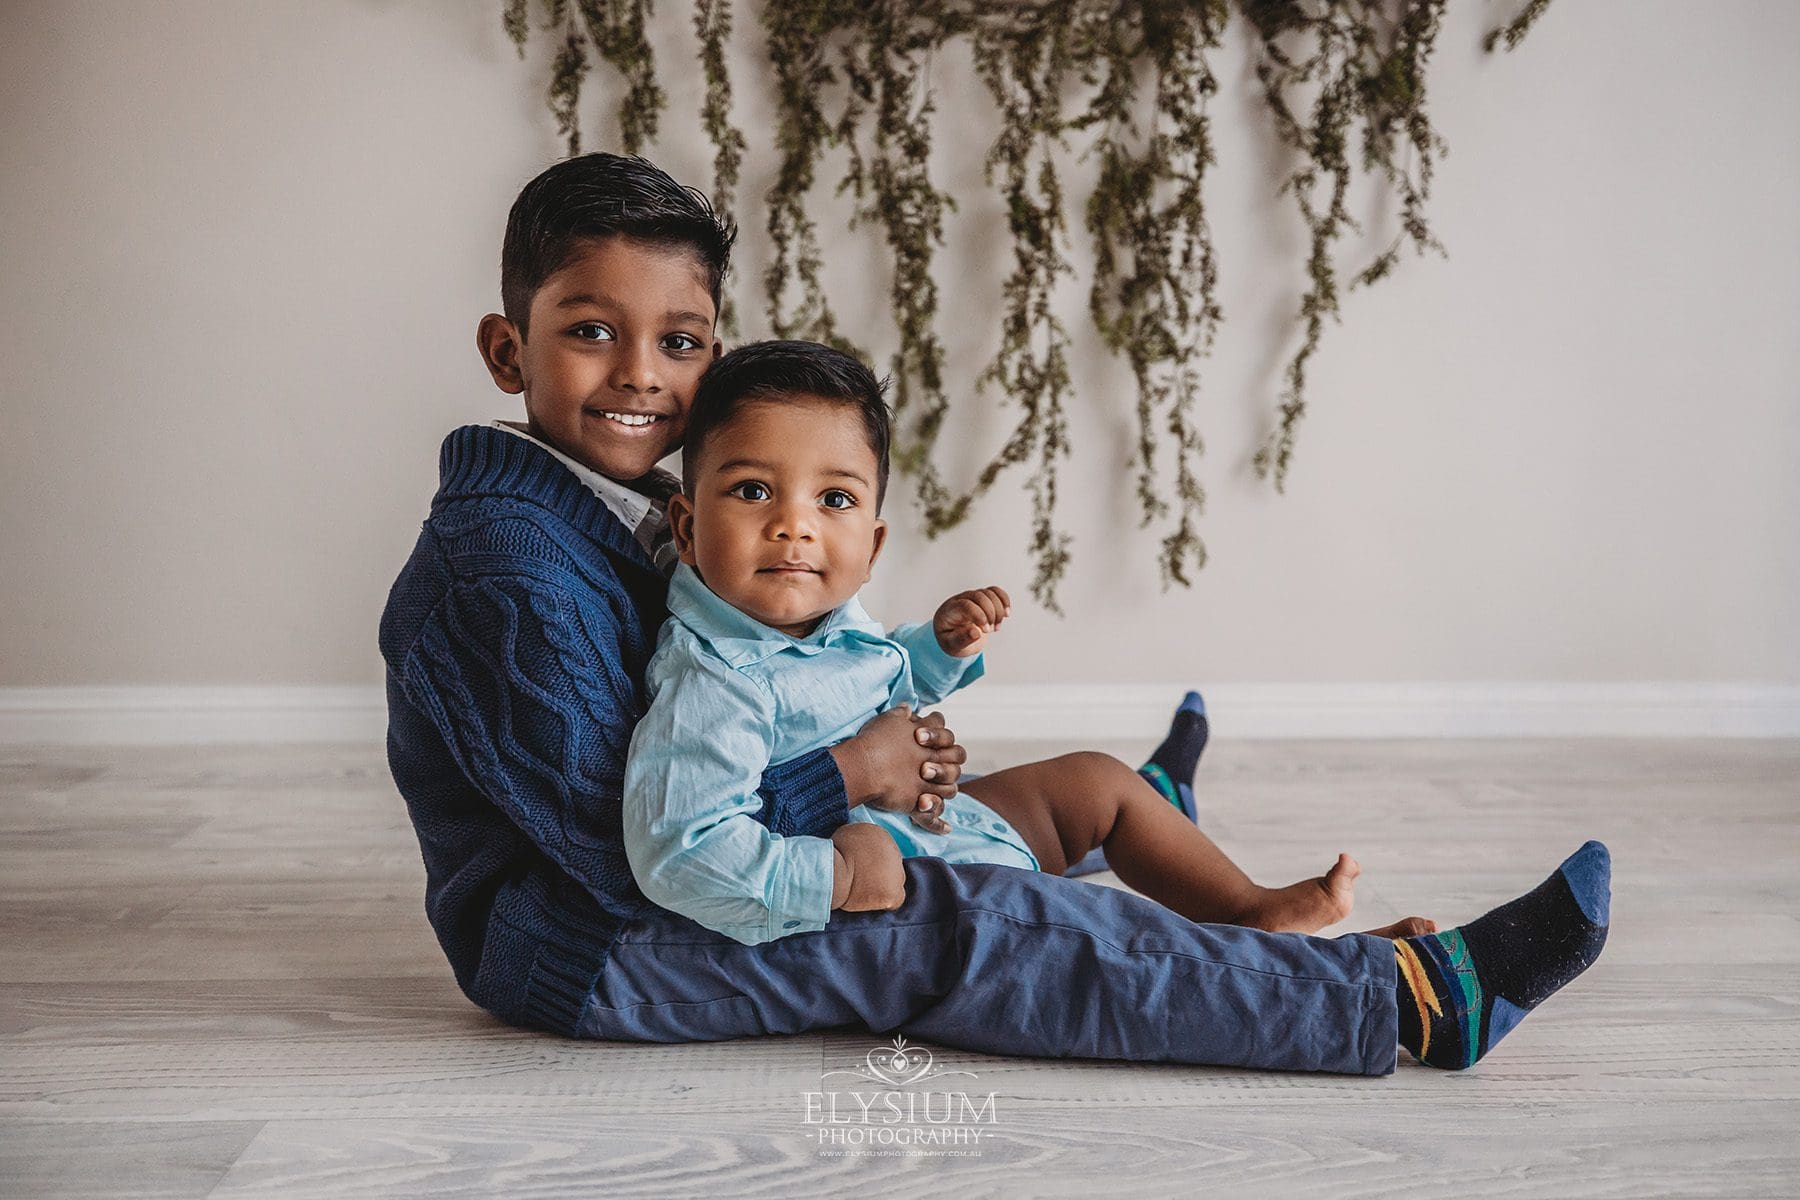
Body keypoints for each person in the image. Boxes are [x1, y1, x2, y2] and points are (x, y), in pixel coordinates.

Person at [379, 150, 1610, 1074]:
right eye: (590, 333)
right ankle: (1394, 1001)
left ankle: (1177, 857)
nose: (643, 372)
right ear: (507, 349)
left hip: (719, 860)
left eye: (682, 340)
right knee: (967, 921)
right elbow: (633, 855)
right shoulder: (507, 579)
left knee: (1023, 799)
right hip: (597, 946)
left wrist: (892, 725)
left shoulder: (633, 504)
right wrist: (854, 774)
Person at [624, 339, 1436, 943]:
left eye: (832, 498)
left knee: (1094, 782)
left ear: (871, 548)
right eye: (754, 490)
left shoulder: (826, 621)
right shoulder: (714, 682)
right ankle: (1319, 970)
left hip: (950, 824)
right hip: (921, 892)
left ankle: (1247, 908)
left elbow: (882, 685)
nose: (794, 522)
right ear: (689, 528)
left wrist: (936, 651)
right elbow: (680, 850)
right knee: (1104, 931)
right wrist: (830, 878)